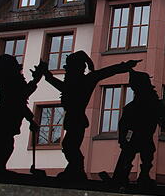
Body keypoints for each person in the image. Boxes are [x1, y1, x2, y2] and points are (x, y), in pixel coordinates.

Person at [41, 50, 139, 180]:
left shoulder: (84, 81)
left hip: (77, 119)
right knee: (70, 145)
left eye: (69, 67)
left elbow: (108, 71)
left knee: (70, 145)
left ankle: (76, 170)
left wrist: (125, 66)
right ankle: (75, 169)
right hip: (73, 119)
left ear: (77, 68)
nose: (66, 70)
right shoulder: (77, 81)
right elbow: (65, 87)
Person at [109, 70, 165, 187]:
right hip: (139, 135)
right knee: (141, 155)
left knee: (142, 155)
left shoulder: (139, 105)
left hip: (141, 135)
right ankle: (137, 176)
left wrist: (122, 138)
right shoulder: (146, 103)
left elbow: (123, 124)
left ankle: (134, 176)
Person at [0, 54, 42, 176]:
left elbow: (20, 101)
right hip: (4, 119)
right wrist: (36, 80)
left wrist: (30, 120)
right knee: (4, 146)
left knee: (4, 146)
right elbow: (20, 98)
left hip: (3, 117)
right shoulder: (10, 81)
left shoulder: (6, 81)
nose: (20, 71)